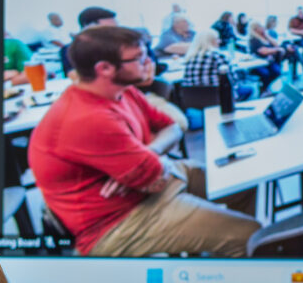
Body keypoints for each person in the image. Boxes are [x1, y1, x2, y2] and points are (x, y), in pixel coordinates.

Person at [27, 26, 256, 256]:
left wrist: (147, 152)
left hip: (149, 188)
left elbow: (173, 126)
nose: (149, 61)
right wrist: (149, 161)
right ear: (104, 68)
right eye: (139, 58)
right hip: (117, 222)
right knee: (251, 236)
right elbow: (156, 178)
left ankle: (213, 253)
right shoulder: (88, 118)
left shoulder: (123, 90)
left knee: (243, 183)